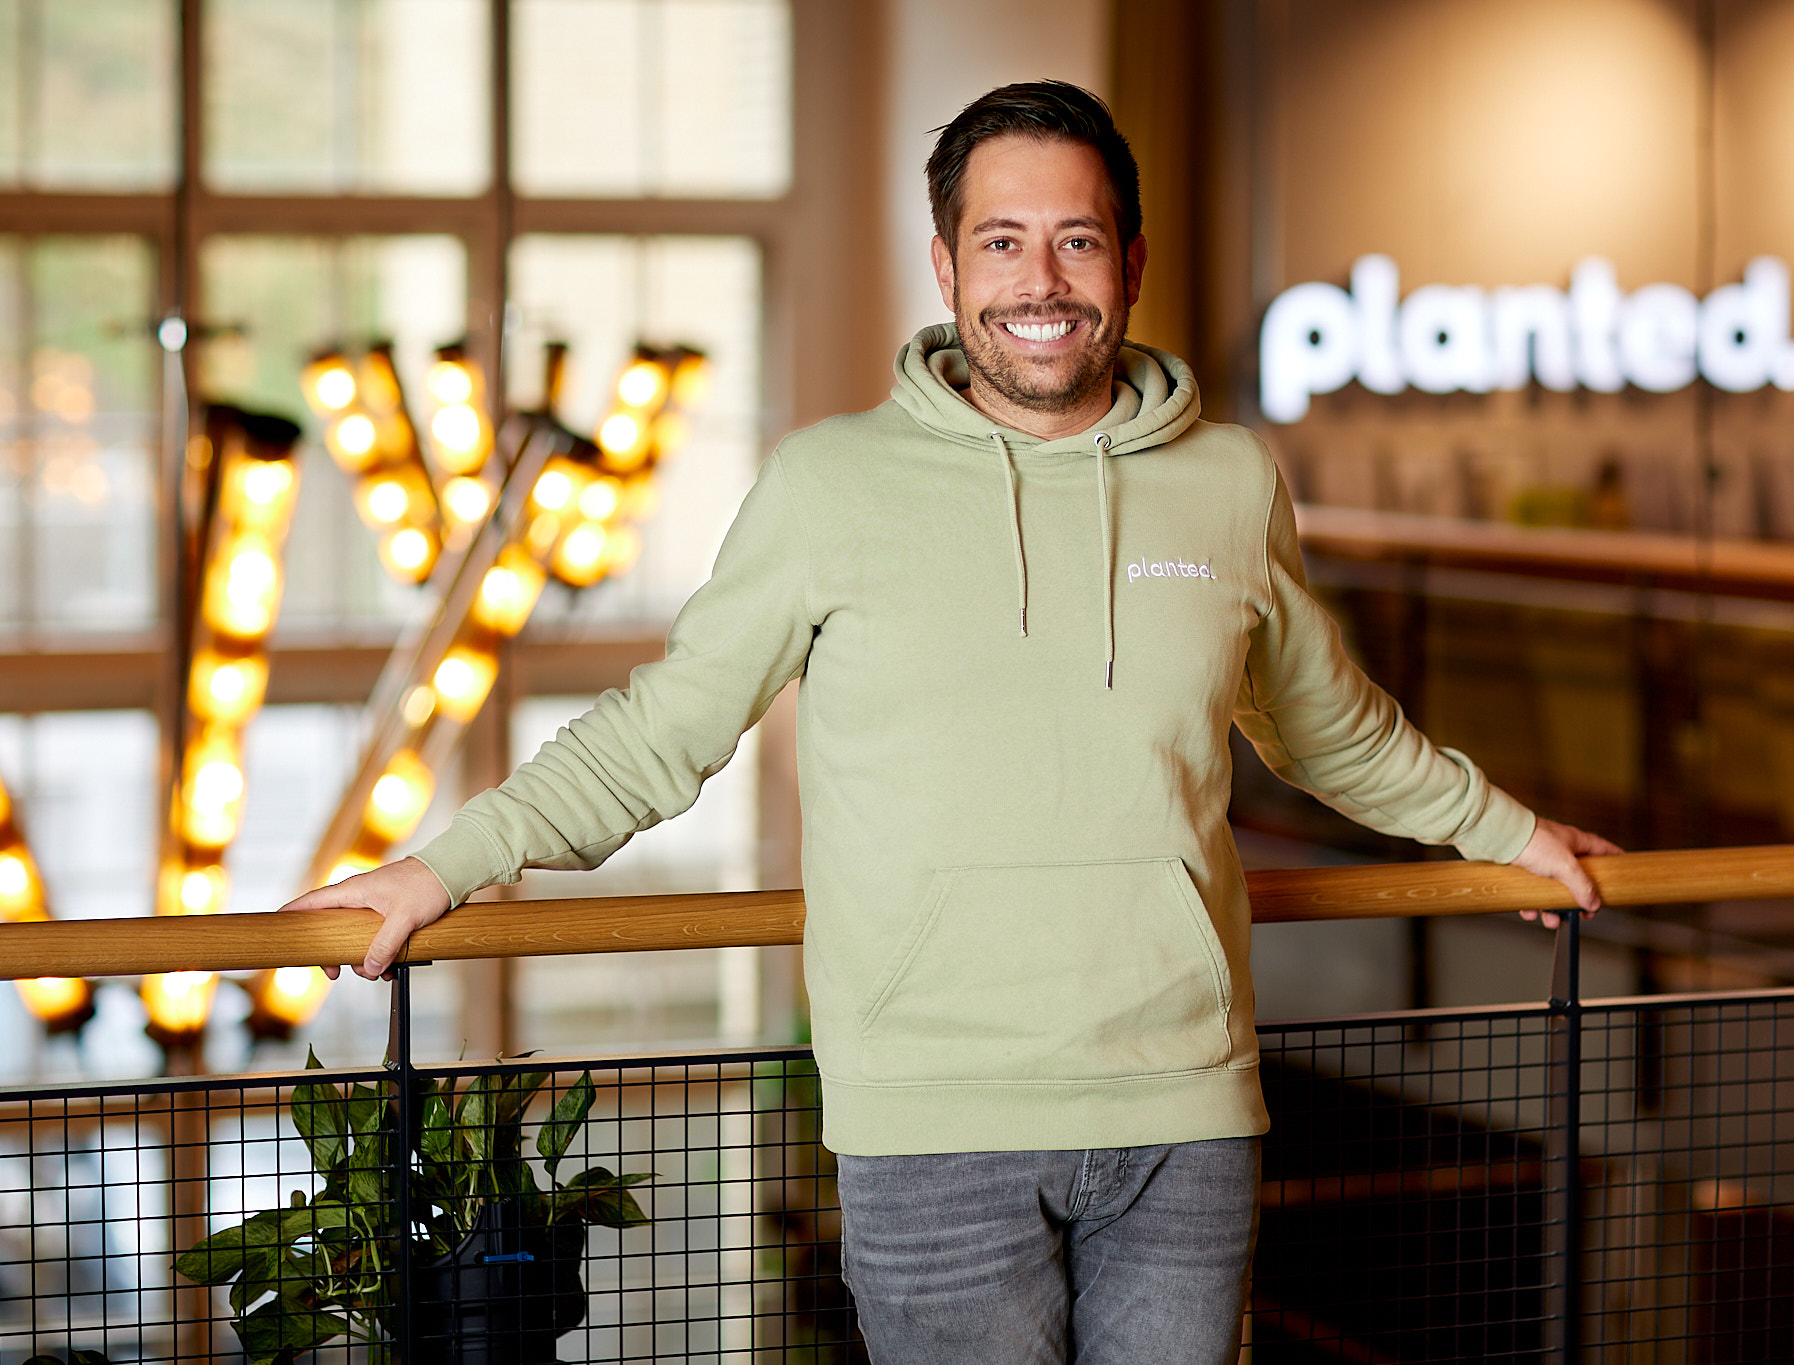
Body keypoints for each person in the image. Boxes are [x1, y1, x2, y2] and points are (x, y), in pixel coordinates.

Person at [287, 81, 1617, 1365]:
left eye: (1076, 239)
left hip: (1185, 1106)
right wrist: (440, 866)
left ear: (1132, 261)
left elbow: (1331, 729)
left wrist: (1507, 832)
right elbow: (658, 735)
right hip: (933, 1124)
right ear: (945, 265)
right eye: (1002, 241)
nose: (1041, 281)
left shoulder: (1227, 481)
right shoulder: (829, 486)